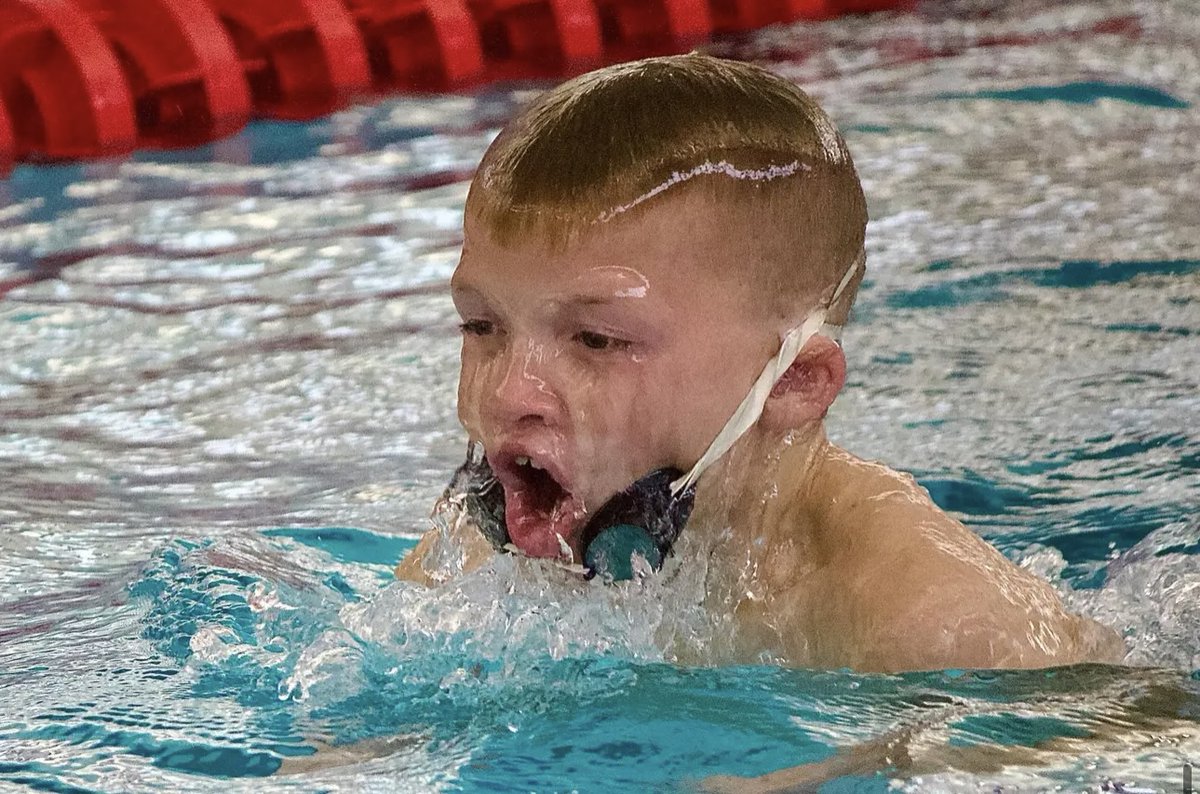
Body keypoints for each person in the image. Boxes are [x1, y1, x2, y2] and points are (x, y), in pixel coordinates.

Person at [394, 52, 1125, 673]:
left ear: (795, 382)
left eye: (595, 340)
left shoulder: (934, 622)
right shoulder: (477, 558)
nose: (509, 392)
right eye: (481, 325)